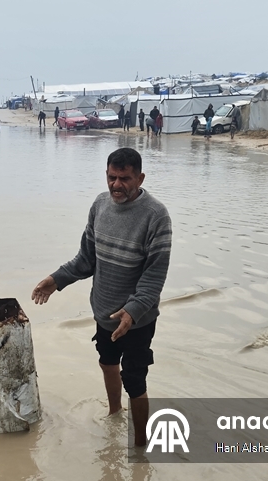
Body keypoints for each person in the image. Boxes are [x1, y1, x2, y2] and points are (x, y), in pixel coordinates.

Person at [31, 148, 171, 448]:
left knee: (134, 380)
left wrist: (132, 311)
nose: (116, 185)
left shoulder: (156, 216)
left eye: (124, 179)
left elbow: (154, 277)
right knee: (107, 362)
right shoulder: (99, 206)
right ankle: (114, 413)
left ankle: (141, 446)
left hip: (138, 320)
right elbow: (86, 259)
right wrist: (55, 280)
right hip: (104, 313)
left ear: (140, 178)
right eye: (111, 177)